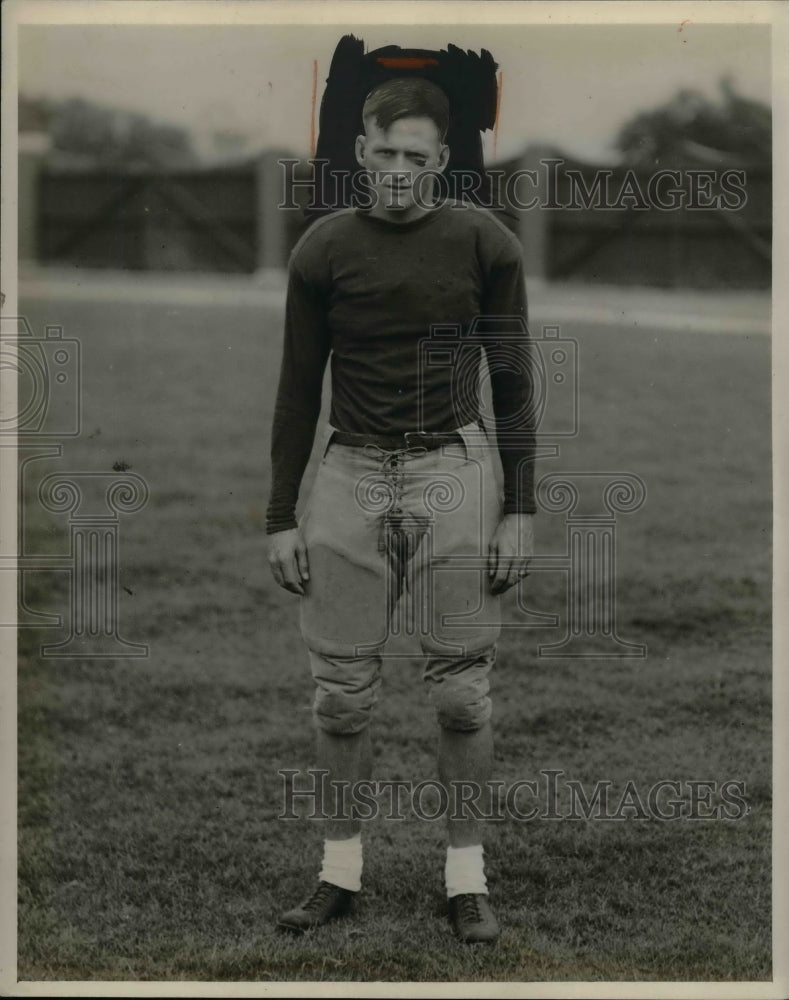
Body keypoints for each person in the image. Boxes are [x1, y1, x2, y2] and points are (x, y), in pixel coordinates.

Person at [266, 75, 535, 944]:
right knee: (340, 695)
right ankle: (338, 873)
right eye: (382, 153)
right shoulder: (323, 247)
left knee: (461, 694)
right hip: (349, 470)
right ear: (359, 151)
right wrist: (281, 512)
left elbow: (515, 382)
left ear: (441, 160)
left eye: (413, 157)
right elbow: (297, 389)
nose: (395, 171)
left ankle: (466, 880)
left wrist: (519, 509)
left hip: (454, 468)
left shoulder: (482, 241)